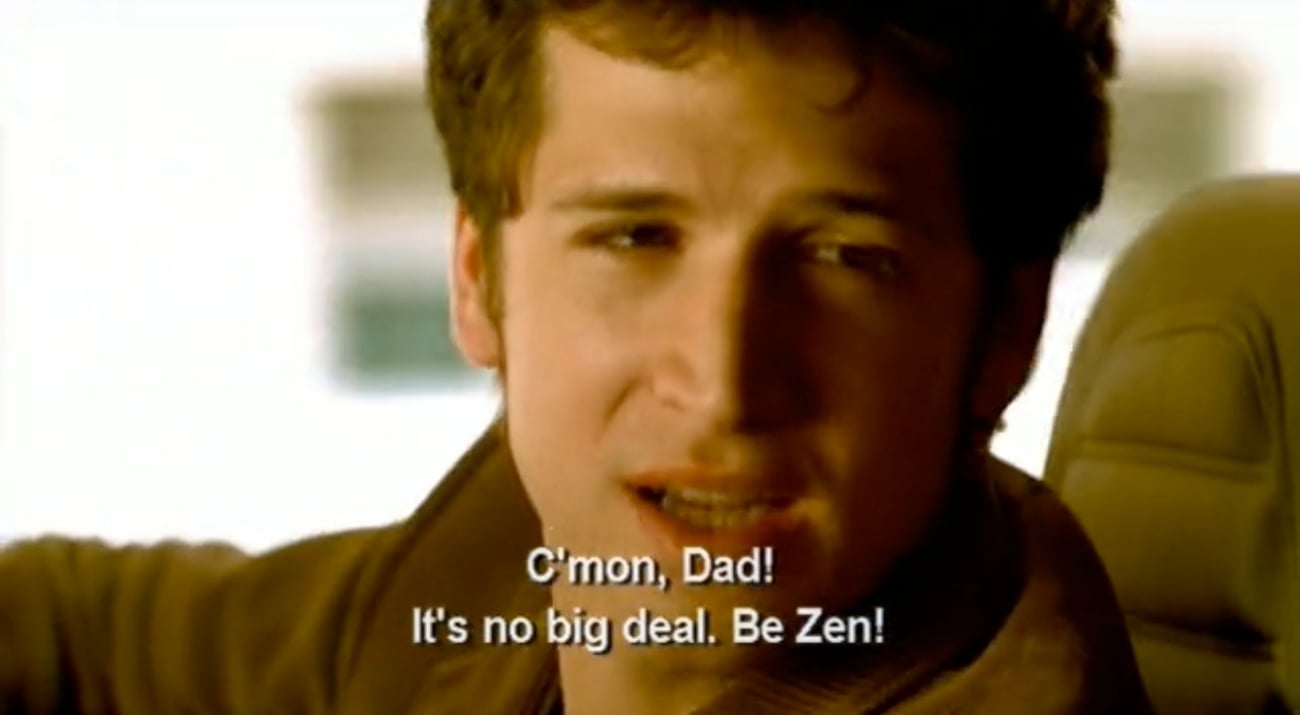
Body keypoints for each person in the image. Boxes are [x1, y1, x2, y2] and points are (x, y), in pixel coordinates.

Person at [0, 0, 1153, 713]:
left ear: (1003, 329)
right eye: (635, 237)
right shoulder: (521, 570)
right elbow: (75, 628)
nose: (718, 386)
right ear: (477, 279)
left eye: (845, 257)